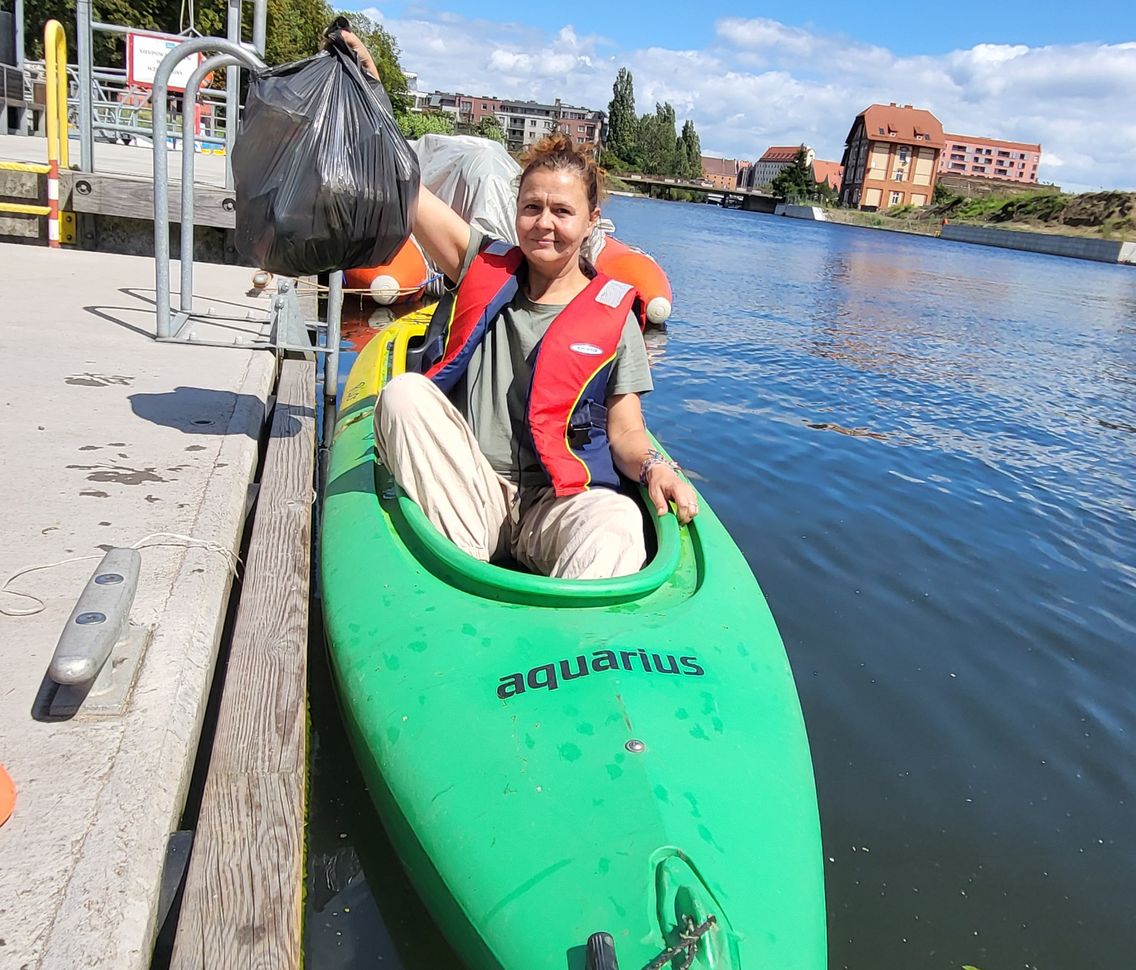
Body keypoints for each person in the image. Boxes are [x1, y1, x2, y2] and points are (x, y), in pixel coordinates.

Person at [374, 132, 699, 580]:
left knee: (619, 521)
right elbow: (407, 186)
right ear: (517, 212)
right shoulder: (479, 267)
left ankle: (567, 634)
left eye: (562, 211)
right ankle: (465, 579)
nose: (544, 223)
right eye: (532, 207)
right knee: (404, 394)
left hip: (558, 501)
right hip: (473, 491)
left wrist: (655, 467)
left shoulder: (615, 317)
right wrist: (369, 95)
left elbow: (625, 431)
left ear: (591, 222)